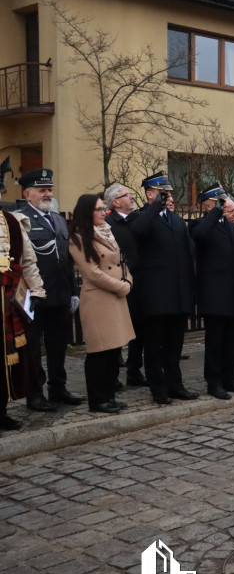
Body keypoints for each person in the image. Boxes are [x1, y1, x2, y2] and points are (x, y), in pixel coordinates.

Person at [15, 168, 82, 411]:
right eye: (42, 190)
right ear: (27, 193)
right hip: (35, 297)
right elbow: (19, 261)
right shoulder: (19, 220)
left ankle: (58, 388)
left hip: (60, 294)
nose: (47, 194)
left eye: (50, 189)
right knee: (33, 349)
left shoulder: (58, 220)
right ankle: (35, 394)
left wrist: (73, 291)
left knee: (58, 345)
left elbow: (67, 259)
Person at [129, 172, 198, 405]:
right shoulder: (140, 218)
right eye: (162, 193)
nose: (167, 197)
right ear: (149, 193)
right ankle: (158, 389)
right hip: (155, 297)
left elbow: (187, 257)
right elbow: (138, 233)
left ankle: (175, 385)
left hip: (177, 295)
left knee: (174, 346)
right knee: (153, 346)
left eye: (168, 193)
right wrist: (153, 208)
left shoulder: (177, 221)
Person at [68, 193, 134, 413]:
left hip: (115, 296)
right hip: (98, 298)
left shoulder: (107, 232)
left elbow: (121, 261)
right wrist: (121, 286)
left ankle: (110, 395)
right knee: (99, 352)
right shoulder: (79, 238)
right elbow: (93, 273)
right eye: (98, 209)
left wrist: (128, 280)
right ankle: (98, 400)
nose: (104, 212)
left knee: (113, 350)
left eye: (104, 208)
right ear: (87, 212)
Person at [190, 185, 234, 399]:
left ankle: (231, 377)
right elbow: (199, 236)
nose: (229, 210)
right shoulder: (201, 224)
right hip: (215, 296)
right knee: (215, 342)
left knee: (233, 341)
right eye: (224, 205)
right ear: (210, 205)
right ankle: (214, 382)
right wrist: (216, 211)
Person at [0, 205, 46, 430]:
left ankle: (1, 411)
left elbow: (28, 260)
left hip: (8, 299)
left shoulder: (12, 221)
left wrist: (37, 290)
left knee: (9, 357)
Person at [104, 184, 146, 387]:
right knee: (116, 330)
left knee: (139, 329)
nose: (131, 197)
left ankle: (134, 370)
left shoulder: (138, 220)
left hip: (140, 282)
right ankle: (111, 375)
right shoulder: (107, 223)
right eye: (126, 195)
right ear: (115, 202)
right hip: (118, 283)